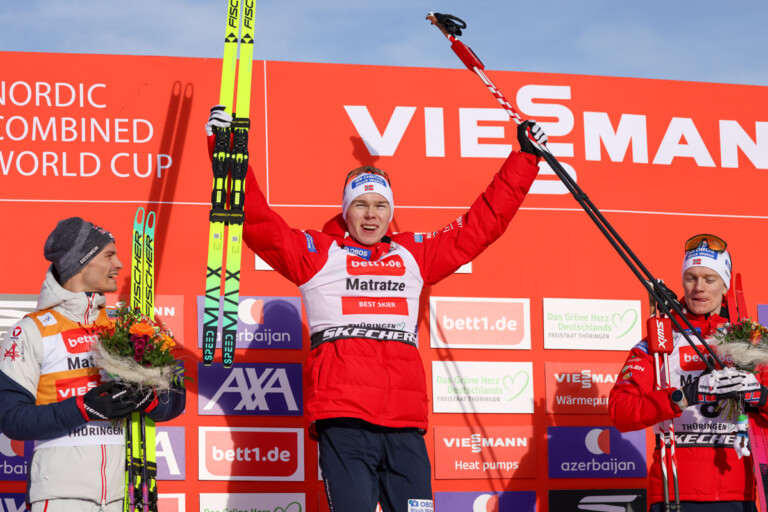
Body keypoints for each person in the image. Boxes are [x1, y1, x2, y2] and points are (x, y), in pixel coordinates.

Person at [205, 106, 547, 512]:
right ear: (345, 210)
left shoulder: (414, 254)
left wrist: (525, 159)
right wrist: (225, 155)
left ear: (390, 212)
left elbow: (481, 224)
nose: (371, 214)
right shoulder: (316, 254)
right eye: (361, 204)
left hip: (404, 426)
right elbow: (258, 221)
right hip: (344, 419)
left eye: (380, 205)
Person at [0, 217, 186, 512]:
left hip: (125, 496)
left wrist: (147, 399)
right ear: (81, 263)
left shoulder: (124, 329)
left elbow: (173, 402)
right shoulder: (32, 331)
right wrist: (84, 408)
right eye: (109, 255)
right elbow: (12, 419)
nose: (120, 264)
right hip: (60, 497)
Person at [609, 234, 768, 512]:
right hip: (675, 495)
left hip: (738, 495)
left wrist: (761, 396)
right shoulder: (658, 341)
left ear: (725, 284)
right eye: (691, 278)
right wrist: (684, 396)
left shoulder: (750, 339)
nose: (698, 288)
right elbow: (620, 411)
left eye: (709, 279)